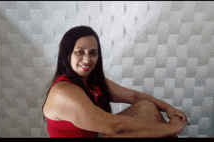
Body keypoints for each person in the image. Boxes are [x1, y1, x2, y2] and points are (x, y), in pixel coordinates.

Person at [42, 25, 190, 138]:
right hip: (107, 129)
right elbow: (114, 126)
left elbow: (133, 96)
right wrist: (171, 128)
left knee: (146, 107)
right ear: (67, 54)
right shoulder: (63, 92)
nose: (87, 60)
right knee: (137, 131)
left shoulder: (92, 81)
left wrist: (169, 109)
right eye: (80, 52)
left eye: (93, 53)